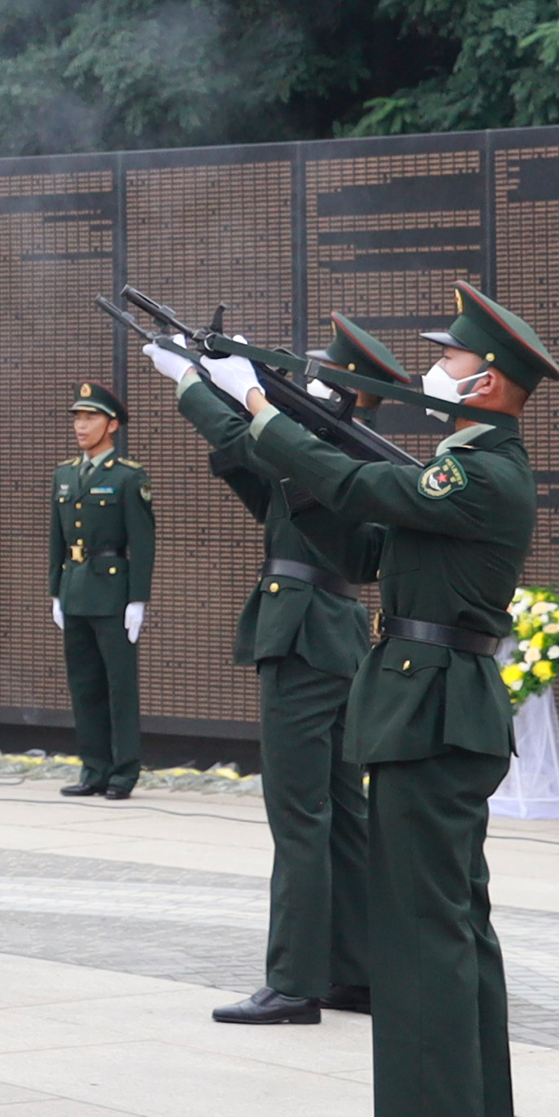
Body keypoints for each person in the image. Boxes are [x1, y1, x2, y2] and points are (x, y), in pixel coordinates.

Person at [236, 284, 554, 1117]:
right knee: (456, 925)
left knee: (424, 933)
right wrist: (279, 429)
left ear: (486, 380)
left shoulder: (478, 470)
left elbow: (369, 486)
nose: (435, 368)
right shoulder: (468, 469)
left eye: (450, 358)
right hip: (436, 710)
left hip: (432, 713)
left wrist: (265, 412)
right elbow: (365, 536)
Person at [164, 330, 390, 1024]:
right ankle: (352, 972)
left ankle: (294, 982)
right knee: (342, 815)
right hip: (335, 636)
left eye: (318, 374)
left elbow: (251, 439)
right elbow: (254, 468)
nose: (309, 379)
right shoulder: (339, 452)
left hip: (303, 634)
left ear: (340, 386)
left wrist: (190, 386)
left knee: (298, 816)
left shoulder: (327, 450)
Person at [50, 382, 153, 799]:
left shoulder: (128, 477)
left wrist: (138, 600)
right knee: (84, 684)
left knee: (119, 686)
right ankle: (93, 769)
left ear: (112, 425)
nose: (80, 425)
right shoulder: (64, 473)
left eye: (89, 418)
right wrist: (55, 591)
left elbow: (143, 543)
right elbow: (55, 537)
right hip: (75, 589)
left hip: (112, 592)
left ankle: (124, 772)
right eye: (77, 418)